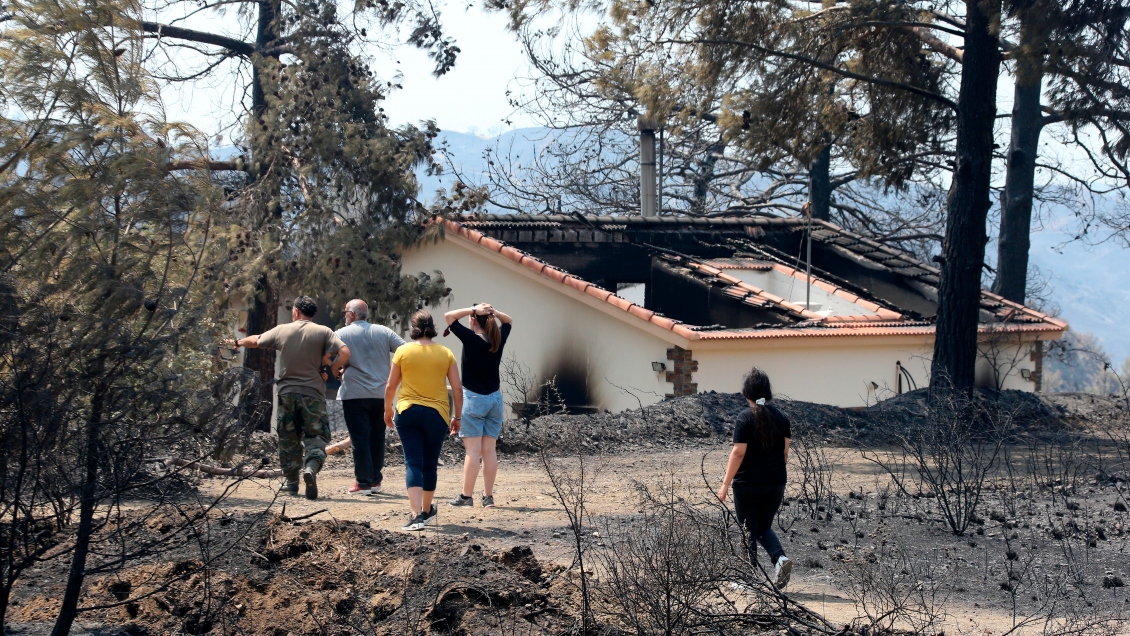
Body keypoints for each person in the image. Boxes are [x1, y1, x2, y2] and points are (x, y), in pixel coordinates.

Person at [229, 296, 349, 500]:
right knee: (316, 436)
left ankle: (291, 483)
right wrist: (331, 369)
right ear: (311, 313)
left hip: (287, 393)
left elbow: (256, 340)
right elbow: (345, 351)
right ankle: (311, 467)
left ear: (295, 312)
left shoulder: (282, 330)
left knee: (288, 439)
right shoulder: (323, 332)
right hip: (313, 394)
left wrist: (236, 342)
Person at [384, 310, 462, 531]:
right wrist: (457, 417)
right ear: (433, 327)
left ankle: (416, 514)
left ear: (414, 328)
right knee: (430, 463)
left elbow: (391, 386)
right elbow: (457, 387)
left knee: (413, 462)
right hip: (437, 413)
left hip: (407, 411)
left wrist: (387, 410)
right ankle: (426, 510)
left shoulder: (402, 351)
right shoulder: (445, 353)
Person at [717, 367, 793, 589]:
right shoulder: (782, 418)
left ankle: (748, 578)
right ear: (768, 392)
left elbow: (738, 452)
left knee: (748, 528)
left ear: (746, 394)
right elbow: (785, 453)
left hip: (748, 484)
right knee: (762, 526)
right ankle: (780, 559)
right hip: (776, 481)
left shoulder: (744, 418)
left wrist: (725, 484)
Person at [443, 302, 513, 508]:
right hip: (494, 399)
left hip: (473, 399)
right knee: (489, 451)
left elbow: (448, 316)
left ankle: (466, 496)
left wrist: (473, 310)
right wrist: (495, 312)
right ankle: (488, 497)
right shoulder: (497, 339)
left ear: (473, 320)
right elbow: (509, 321)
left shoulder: (470, 339)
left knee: (472, 451)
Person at [334, 299, 405, 496]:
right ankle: (375, 480)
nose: (345, 316)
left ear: (352, 314)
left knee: (360, 438)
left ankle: (363, 483)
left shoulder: (340, 334)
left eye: (345, 312)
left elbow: (329, 355)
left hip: (355, 393)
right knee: (377, 436)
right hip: (382, 393)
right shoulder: (384, 332)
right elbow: (405, 350)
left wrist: (341, 367)